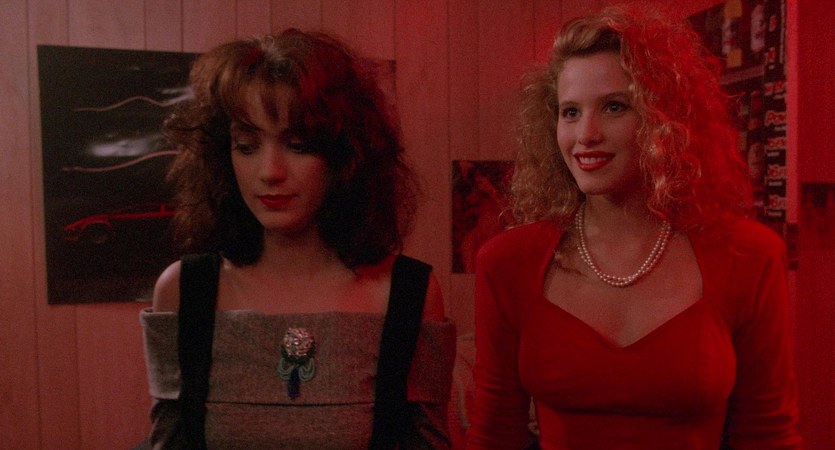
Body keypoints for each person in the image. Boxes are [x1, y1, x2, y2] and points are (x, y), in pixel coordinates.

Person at [466, 4, 801, 449]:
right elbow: (494, 435)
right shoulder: (508, 261)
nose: (585, 134)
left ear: (666, 119)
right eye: (570, 112)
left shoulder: (749, 255)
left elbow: (768, 435)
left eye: (614, 107)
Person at [140, 29, 455, 449]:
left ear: (345, 156)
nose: (270, 171)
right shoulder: (185, 290)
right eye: (247, 145)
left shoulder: (408, 293)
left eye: (299, 145)